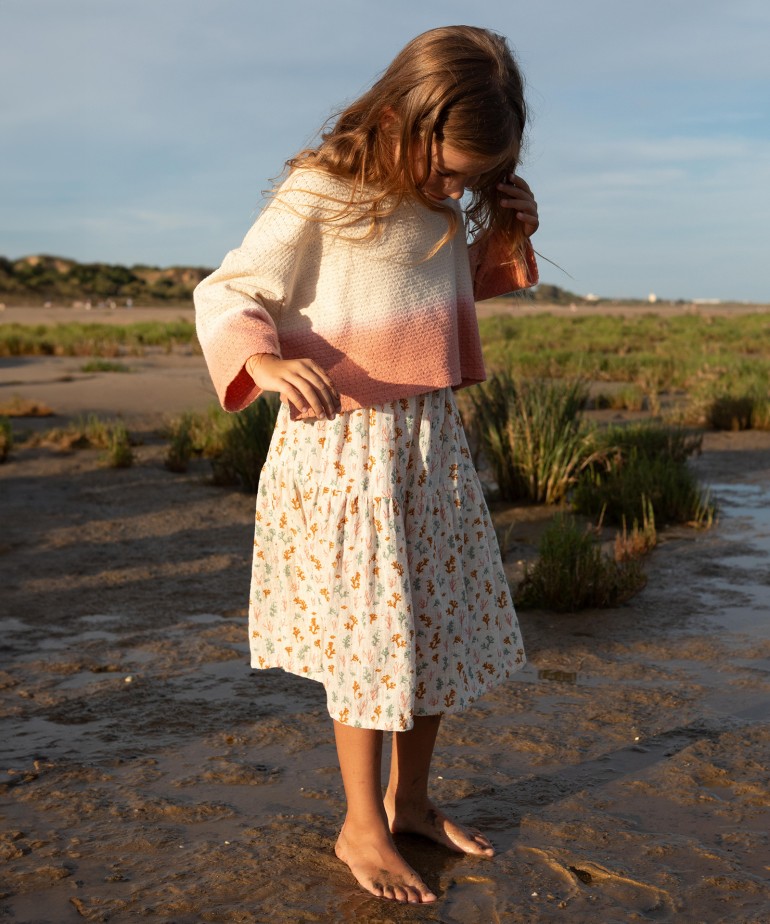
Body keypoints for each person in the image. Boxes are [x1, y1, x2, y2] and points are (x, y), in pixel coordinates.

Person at [195, 24, 540, 905]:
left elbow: (431, 301)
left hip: (429, 446)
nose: (455, 189)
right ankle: (361, 823)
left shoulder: (439, 208)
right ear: (403, 117)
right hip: (345, 447)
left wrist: (500, 233)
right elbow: (232, 288)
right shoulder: (323, 189)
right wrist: (262, 361)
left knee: (434, 624)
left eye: (471, 180)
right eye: (450, 171)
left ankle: (410, 802)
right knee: (370, 633)